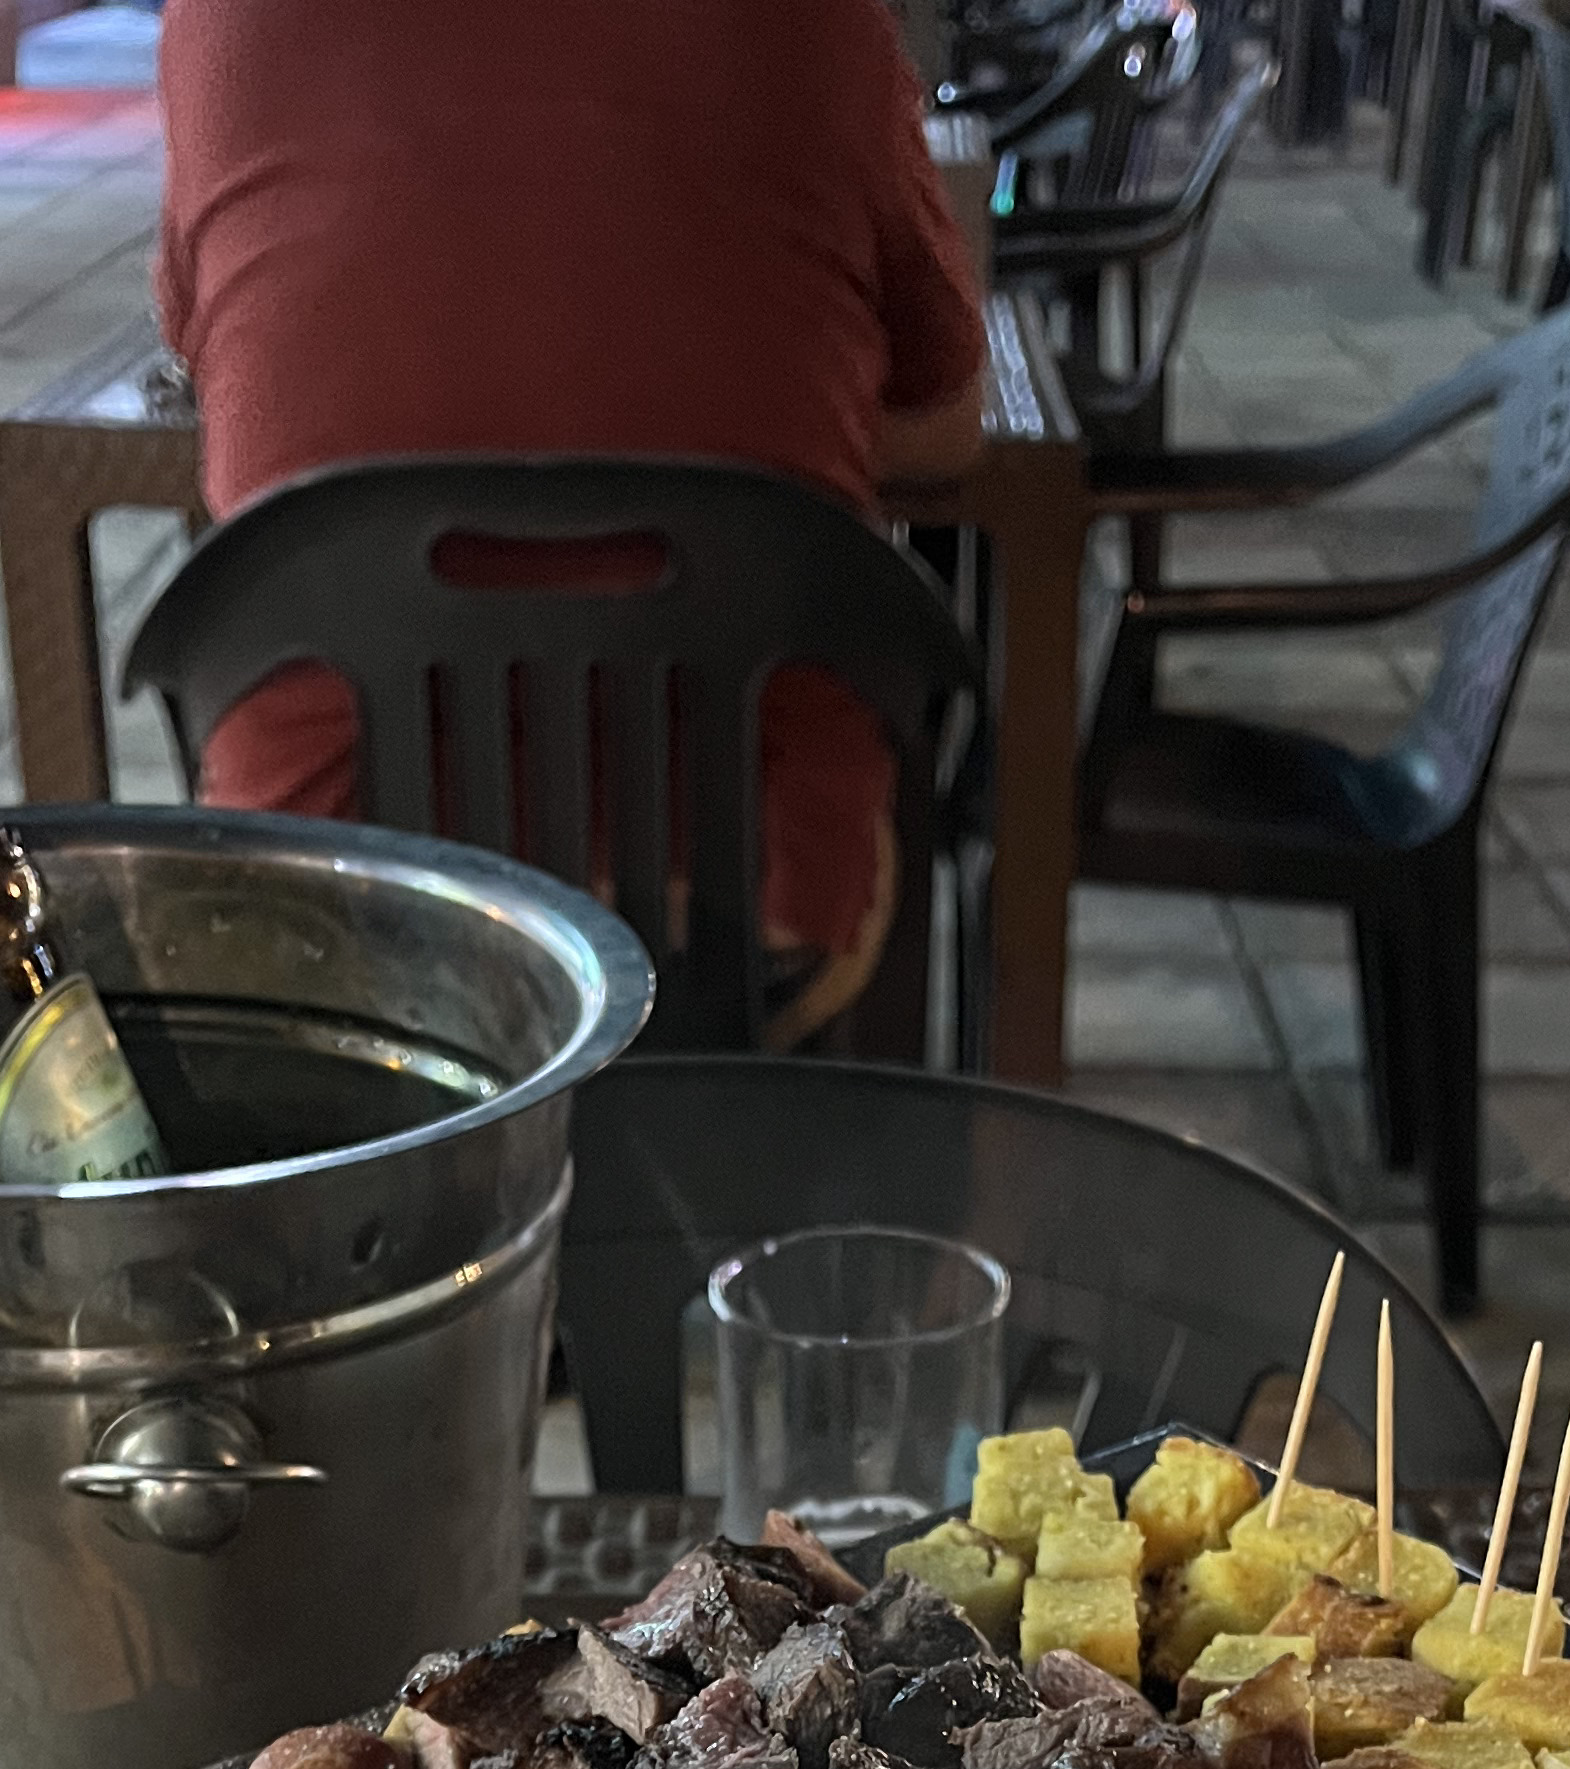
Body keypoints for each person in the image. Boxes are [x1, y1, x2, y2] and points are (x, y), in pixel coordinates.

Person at [153, 0, 988, 1035]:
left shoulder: (223, 22)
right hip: (748, 894)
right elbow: (946, 428)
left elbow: (212, 373)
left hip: (328, 893)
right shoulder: (822, 23)